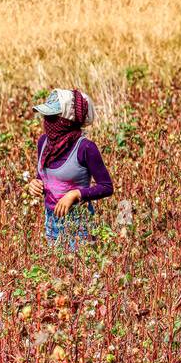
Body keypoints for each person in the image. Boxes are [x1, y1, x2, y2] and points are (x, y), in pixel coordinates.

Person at [25, 88, 114, 247]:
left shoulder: (86, 148)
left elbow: (106, 187)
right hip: (51, 222)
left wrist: (75, 194)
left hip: (79, 224)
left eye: (52, 117)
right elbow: (43, 177)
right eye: (46, 116)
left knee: (79, 270)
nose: (47, 121)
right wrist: (35, 184)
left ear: (67, 120)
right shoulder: (44, 143)